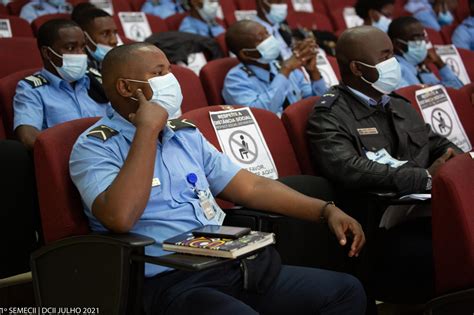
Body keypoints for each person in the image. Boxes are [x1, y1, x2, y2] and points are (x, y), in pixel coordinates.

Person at [70, 42, 367, 315]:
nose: (170, 80)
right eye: (158, 73)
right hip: (169, 279)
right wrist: (146, 131)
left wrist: (325, 210)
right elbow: (120, 218)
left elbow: (251, 187)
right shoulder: (94, 146)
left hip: (229, 263)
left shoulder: (184, 134)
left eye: (169, 71)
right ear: (125, 87)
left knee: (345, 292)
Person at [306, 25, 462, 300]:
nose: (394, 63)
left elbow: (434, 142)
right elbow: (349, 167)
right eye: (385, 56)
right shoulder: (328, 116)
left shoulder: (397, 104)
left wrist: (457, 163)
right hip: (377, 229)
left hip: (427, 212)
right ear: (357, 68)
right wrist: (424, 177)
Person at [13, 19, 110, 150]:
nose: (81, 54)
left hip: (114, 153)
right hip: (69, 161)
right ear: (47, 53)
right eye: (71, 48)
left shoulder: (96, 80)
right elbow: (27, 137)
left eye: (82, 47)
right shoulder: (31, 89)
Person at [222, 20, 326, 115]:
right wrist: (285, 71)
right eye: (261, 38)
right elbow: (260, 114)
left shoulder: (281, 66)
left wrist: (313, 72)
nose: (270, 39)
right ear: (245, 53)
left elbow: (318, 104)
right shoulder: (235, 80)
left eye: (267, 33)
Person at [388, 16, 463, 89]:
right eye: (416, 38)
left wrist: (440, 64)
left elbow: (457, 91)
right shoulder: (396, 70)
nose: (422, 42)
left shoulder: (422, 67)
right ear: (398, 44)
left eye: (423, 36)